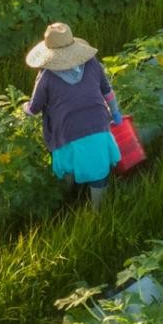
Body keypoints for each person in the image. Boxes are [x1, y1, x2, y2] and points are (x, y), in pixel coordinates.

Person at [24, 22, 124, 209]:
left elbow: (34, 108)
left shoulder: (46, 76)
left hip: (66, 130)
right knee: (98, 168)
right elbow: (108, 92)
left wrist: (25, 109)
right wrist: (115, 113)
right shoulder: (92, 63)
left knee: (68, 165)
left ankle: (67, 197)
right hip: (98, 125)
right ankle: (99, 210)